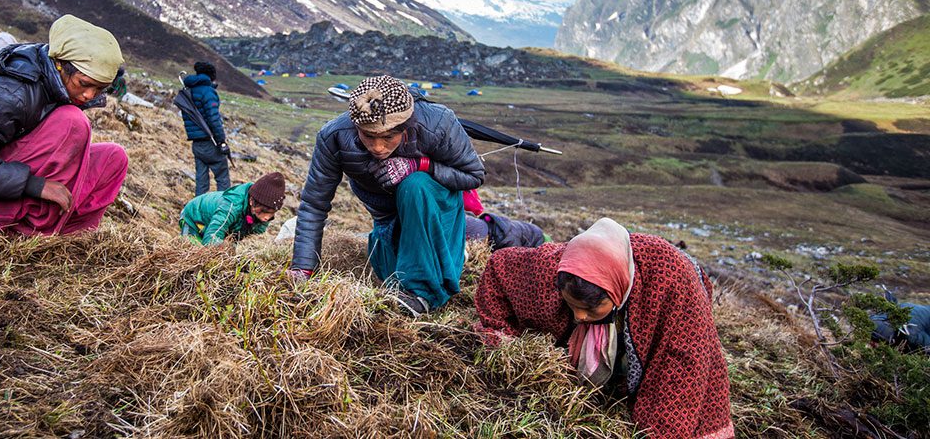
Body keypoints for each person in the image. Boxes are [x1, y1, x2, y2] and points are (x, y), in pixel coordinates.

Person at [474, 217, 734, 439]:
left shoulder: (674, 288)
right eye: (572, 306)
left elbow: (680, 377)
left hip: (670, 310)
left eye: (589, 309)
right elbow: (501, 266)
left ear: (616, 290)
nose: (579, 316)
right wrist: (499, 332)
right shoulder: (561, 264)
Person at [290, 75, 485, 316]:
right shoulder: (334, 137)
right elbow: (314, 204)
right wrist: (302, 268)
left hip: (437, 210)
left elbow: (474, 175)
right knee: (393, 276)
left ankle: (420, 293)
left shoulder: (438, 122)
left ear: (405, 128)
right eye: (368, 136)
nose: (378, 147)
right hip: (388, 220)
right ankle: (423, 270)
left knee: (415, 184)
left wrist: (421, 165)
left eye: (388, 137)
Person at [0, 15, 129, 236]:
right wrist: (34, 185)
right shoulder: (9, 94)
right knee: (72, 122)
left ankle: (65, 235)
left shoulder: (62, 89)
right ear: (59, 65)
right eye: (84, 84)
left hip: (18, 194)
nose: (89, 95)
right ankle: (12, 232)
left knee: (114, 158)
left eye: (100, 89)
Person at [179, 171, 286, 245]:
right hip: (194, 217)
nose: (266, 217)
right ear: (251, 201)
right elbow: (212, 236)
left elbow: (252, 237)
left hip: (223, 225)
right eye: (263, 211)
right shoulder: (231, 205)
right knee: (193, 253)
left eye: (272, 213)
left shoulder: (263, 211)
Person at [181, 61, 230, 195]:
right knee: (222, 177)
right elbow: (214, 119)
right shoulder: (208, 92)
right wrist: (222, 141)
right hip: (210, 142)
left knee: (201, 181)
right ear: (211, 76)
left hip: (196, 143)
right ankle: (223, 209)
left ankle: (198, 210)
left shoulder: (188, 91)